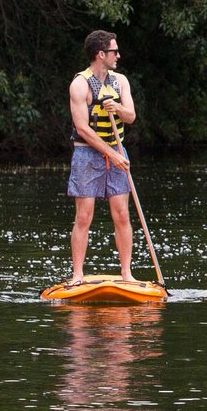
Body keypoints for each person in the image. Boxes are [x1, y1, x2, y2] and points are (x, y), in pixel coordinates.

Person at [67, 30, 136, 283]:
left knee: (122, 215)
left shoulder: (121, 81)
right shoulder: (80, 84)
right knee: (84, 217)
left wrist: (116, 107)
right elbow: (83, 128)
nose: (118, 55)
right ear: (100, 54)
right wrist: (111, 154)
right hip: (87, 155)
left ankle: (126, 273)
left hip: (117, 151)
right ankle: (77, 275)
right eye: (114, 51)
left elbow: (130, 117)